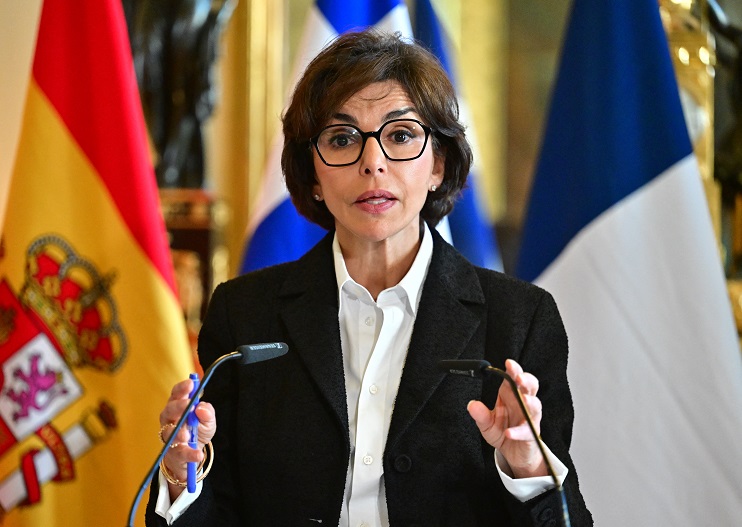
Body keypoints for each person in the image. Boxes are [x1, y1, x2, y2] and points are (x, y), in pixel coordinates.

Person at [145, 29, 592, 526]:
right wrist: (179, 477)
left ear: (438, 164)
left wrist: (528, 469)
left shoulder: (520, 319)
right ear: (313, 176)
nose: (372, 163)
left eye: (400, 136)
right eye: (342, 139)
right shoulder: (244, 313)